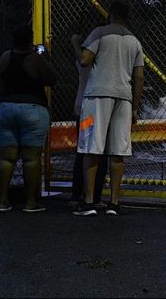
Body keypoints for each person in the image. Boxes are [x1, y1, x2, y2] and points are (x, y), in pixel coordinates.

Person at [73, 1, 145, 217]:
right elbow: (139, 77)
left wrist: (76, 43)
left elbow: (85, 60)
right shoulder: (134, 41)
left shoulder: (99, 33)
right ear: (127, 17)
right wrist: (135, 107)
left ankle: (89, 202)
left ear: (111, 14)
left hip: (96, 96)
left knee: (91, 148)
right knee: (118, 151)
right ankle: (114, 203)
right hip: (124, 98)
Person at [0, 24, 57, 213]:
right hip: (32, 108)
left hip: (6, 108)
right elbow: (51, 79)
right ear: (30, 40)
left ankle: (2, 201)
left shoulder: (6, 57)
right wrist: (45, 57)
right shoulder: (34, 59)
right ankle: (31, 202)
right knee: (31, 158)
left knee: (7, 157)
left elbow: (0, 74)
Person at [69, 32, 108, 211]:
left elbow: (81, 57)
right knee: (100, 154)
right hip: (100, 110)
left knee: (83, 152)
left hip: (83, 110)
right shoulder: (104, 63)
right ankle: (95, 196)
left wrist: (76, 42)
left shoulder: (83, 62)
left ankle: (76, 196)